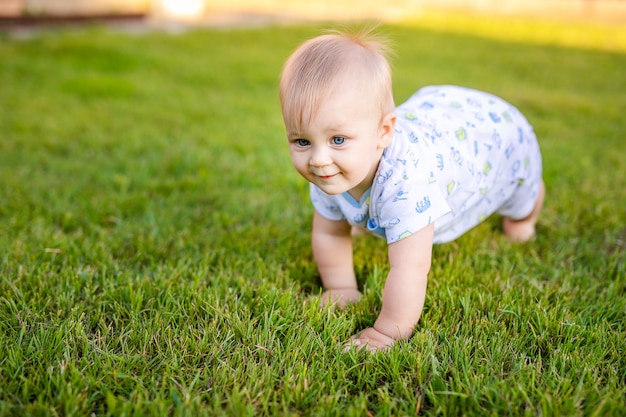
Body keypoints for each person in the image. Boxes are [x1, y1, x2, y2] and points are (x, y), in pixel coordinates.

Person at [278, 30, 545, 353]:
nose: (319, 160)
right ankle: (369, 216)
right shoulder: (330, 169)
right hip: (432, 122)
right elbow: (330, 234)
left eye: (338, 140)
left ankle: (526, 216)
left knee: (518, 202)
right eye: (302, 141)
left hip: (493, 134)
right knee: (357, 213)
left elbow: (411, 267)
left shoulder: (407, 182)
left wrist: (387, 332)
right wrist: (341, 288)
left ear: (383, 132)